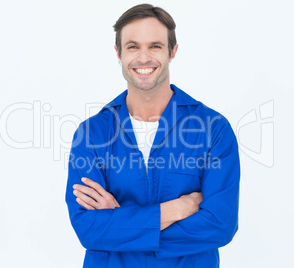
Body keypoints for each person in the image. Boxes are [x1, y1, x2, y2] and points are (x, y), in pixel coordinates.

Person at [65, 4, 240, 268]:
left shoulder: (213, 129)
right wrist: (175, 210)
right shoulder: (91, 134)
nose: (143, 58)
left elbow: (220, 225)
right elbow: (89, 229)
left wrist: (121, 223)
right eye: (133, 46)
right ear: (119, 53)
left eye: (155, 46)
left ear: (173, 51)